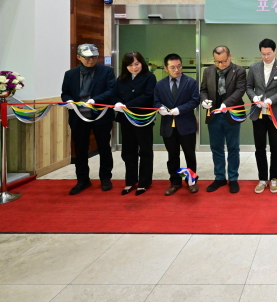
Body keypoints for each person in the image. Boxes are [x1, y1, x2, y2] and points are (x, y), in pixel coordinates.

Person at [61, 44, 116, 195]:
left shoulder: (106, 71)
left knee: (104, 148)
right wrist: (68, 101)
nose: (91, 60)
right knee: (80, 149)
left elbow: (111, 90)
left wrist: (95, 100)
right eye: (87, 57)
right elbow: (65, 92)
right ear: (79, 57)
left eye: (94, 57)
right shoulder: (70, 74)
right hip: (78, 117)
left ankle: (105, 178)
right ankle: (83, 179)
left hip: (101, 116)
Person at [246, 38, 277, 194]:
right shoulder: (254, 68)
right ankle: (262, 179)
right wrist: (254, 98)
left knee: (275, 147)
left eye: (269, 54)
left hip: (275, 114)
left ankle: (274, 178)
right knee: (259, 148)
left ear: (275, 51)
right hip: (258, 114)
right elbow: (249, 87)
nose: (266, 57)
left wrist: (270, 101)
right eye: (263, 54)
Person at [200, 46, 247, 194]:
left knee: (233, 148)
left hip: (231, 114)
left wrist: (226, 104)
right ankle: (219, 177)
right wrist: (204, 101)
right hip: (214, 115)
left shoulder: (239, 70)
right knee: (216, 148)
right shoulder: (208, 71)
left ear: (230, 56)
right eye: (217, 61)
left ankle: (233, 178)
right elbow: (203, 90)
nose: (220, 64)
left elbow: (240, 90)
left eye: (224, 61)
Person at [153, 53, 200, 196]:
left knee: (190, 155)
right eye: (173, 67)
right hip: (168, 126)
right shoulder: (160, 84)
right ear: (166, 68)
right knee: (172, 156)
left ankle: (191, 181)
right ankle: (175, 182)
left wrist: (180, 109)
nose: (177, 70)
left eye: (179, 66)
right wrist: (160, 108)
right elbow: (155, 101)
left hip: (186, 125)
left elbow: (195, 100)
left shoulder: (190, 82)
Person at [113, 52, 157, 196]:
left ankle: (144, 182)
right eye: (130, 65)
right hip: (126, 120)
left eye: (137, 64)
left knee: (145, 150)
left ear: (142, 63)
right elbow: (115, 94)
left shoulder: (149, 77)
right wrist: (117, 103)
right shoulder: (121, 78)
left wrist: (127, 105)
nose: (134, 67)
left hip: (143, 119)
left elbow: (148, 96)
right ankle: (130, 181)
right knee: (128, 151)